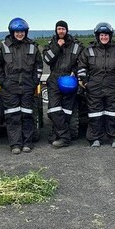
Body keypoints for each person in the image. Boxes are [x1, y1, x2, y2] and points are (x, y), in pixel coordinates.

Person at [0, 18, 43, 154]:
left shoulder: (32, 47)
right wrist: (3, 82)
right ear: (12, 32)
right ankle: (15, 144)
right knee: (13, 117)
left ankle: (27, 143)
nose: (20, 34)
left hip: (27, 87)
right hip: (9, 88)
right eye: (17, 32)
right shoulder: (2, 46)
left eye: (22, 32)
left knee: (27, 115)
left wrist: (34, 82)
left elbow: (38, 66)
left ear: (26, 32)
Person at [77, 22, 115, 148]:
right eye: (101, 35)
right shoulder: (88, 51)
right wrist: (86, 82)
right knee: (95, 113)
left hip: (113, 86)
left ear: (110, 36)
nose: (104, 37)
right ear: (97, 36)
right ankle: (95, 138)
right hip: (94, 86)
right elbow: (82, 67)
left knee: (113, 113)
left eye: (106, 35)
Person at [43, 20, 83, 148]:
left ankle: (58, 135)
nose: (61, 31)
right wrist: (57, 46)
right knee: (54, 109)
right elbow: (47, 60)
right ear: (56, 30)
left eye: (63, 29)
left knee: (66, 111)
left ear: (67, 30)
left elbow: (82, 62)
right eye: (59, 29)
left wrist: (75, 72)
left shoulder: (76, 45)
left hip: (69, 80)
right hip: (55, 78)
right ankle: (65, 137)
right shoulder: (50, 44)